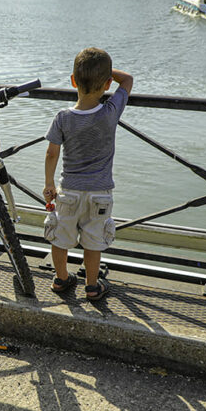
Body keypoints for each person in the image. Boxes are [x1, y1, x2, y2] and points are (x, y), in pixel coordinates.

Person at [42, 47, 133, 301]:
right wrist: (105, 73)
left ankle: (61, 279)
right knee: (93, 242)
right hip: (100, 192)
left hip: (68, 190)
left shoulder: (62, 118)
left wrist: (49, 183)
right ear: (106, 84)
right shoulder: (110, 112)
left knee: (60, 238)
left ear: (72, 81)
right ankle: (92, 286)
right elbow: (127, 80)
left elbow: (51, 153)